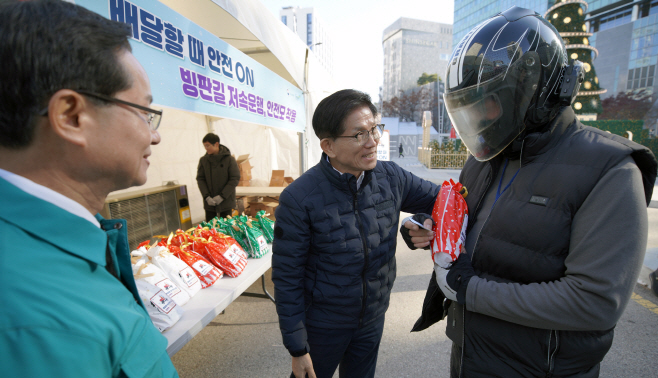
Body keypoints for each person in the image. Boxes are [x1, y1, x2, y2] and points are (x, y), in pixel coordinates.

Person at [411, 7, 657, 378]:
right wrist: (437, 234)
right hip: (470, 356)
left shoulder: (610, 170)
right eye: (470, 109)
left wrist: (469, 289)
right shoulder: (485, 158)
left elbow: (593, 301)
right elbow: (480, 235)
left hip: (540, 367)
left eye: (488, 102)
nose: (480, 120)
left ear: (534, 92)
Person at [0, 1, 177, 377]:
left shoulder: (64, 247)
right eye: (144, 112)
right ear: (71, 116)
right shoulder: (35, 319)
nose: (154, 134)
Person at [272, 89, 439, 378]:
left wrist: (421, 222)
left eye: (374, 129)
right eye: (360, 134)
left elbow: (443, 201)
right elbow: (287, 278)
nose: (373, 142)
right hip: (322, 326)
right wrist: (297, 348)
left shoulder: (392, 177)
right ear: (329, 146)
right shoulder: (299, 198)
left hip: (373, 317)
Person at [196, 132, 240, 221]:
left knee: (227, 227)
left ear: (216, 144)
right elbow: (200, 179)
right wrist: (206, 197)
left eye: (208, 146)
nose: (206, 148)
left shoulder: (229, 160)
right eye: (204, 146)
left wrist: (222, 196)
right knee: (210, 228)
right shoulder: (203, 160)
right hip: (210, 202)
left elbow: (234, 178)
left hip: (226, 201)